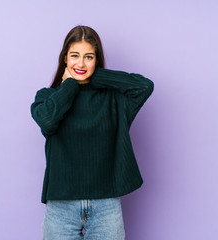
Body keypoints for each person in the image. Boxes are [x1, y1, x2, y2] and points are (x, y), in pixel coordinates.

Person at [30, 25, 154, 240]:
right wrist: (70, 85)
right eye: (75, 56)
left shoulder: (113, 100)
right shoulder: (48, 97)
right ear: (65, 59)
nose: (80, 63)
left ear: (97, 60)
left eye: (89, 57)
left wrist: (93, 77)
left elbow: (144, 86)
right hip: (61, 208)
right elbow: (47, 122)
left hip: (105, 206)